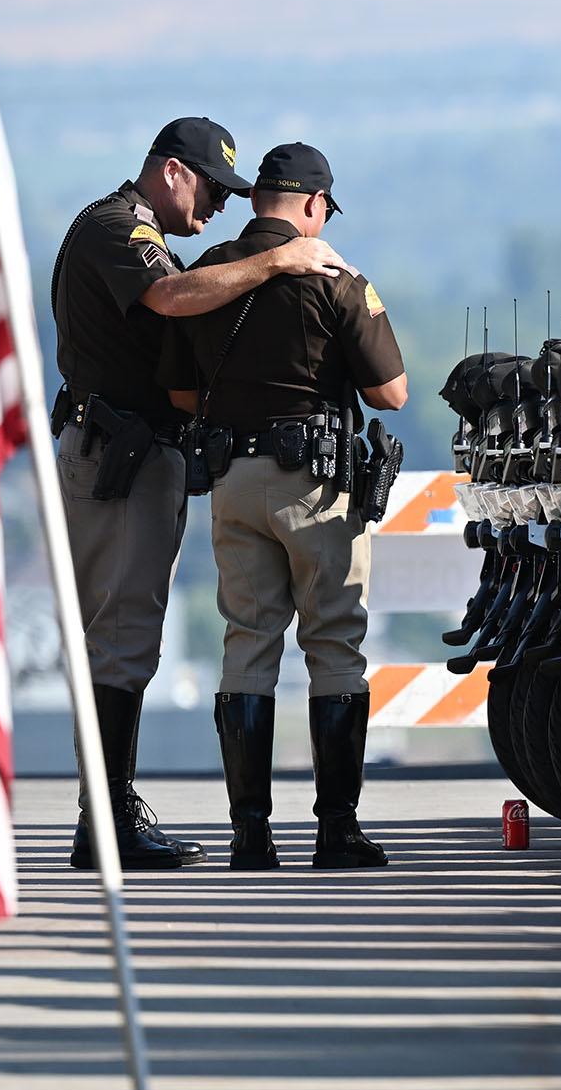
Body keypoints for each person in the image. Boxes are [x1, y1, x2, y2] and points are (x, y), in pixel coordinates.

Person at [50, 117, 354, 870]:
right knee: (120, 640)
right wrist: (281, 259)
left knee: (129, 638)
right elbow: (173, 296)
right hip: (116, 454)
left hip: (136, 452)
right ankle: (107, 822)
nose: (219, 209)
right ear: (174, 171)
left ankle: (110, 809)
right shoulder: (117, 229)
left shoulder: (134, 229)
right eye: (214, 190)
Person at [159, 142, 409, 870]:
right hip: (315, 486)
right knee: (333, 644)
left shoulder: (209, 275)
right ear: (312, 206)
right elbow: (390, 392)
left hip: (232, 482)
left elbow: (180, 395)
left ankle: (251, 835)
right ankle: (336, 829)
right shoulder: (332, 278)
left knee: (248, 645)